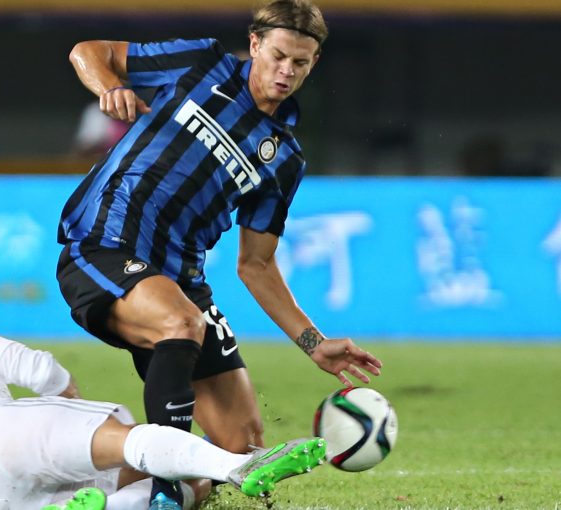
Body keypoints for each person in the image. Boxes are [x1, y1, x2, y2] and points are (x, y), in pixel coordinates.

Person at [56, 1, 383, 507]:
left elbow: (256, 264)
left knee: (241, 446)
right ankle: (164, 488)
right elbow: (88, 51)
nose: (286, 71)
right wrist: (110, 87)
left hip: (181, 281)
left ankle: (108, 496)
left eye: (299, 63)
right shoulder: (202, 63)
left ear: (313, 63)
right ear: (255, 44)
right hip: (103, 247)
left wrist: (313, 342)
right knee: (182, 323)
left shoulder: (284, 158)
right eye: (277, 56)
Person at [0, 299, 326, 510]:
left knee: (150, 483)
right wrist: (70, 406)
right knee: (127, 437)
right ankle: (238, 467)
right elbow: (36, 369)